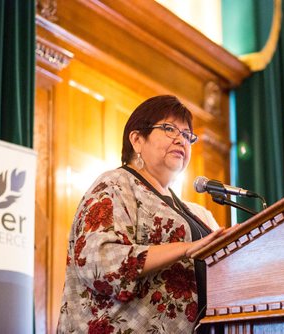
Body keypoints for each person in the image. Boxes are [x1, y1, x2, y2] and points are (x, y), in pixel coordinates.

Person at [57, 95, 227, 333]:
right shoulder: (115, 184)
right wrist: (185, 248)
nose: (181, 139)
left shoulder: (187, 209)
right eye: (169, 129)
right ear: (137, 139)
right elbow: (99, 261)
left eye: (187, 135)